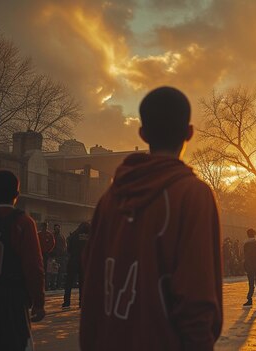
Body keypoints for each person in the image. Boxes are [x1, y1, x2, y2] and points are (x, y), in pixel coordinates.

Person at [80, 87, 223, 351]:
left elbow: (91, 285)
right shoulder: (191, 194)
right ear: (189, 133)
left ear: (143, 134)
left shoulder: (110, 199)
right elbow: (196, 294)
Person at [0, 170, 45, 350]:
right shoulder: (22, 222)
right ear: (16, 195)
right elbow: (34, 267)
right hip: (10, 300)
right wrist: (38, 302)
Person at [62, 222, 90, 308]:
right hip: (84, 262)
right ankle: (82, 302)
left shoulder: (74, 235)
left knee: (69, 282)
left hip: (73, 260)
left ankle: (66, 302)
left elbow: (69, 249)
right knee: (83, 283)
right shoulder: (90, 236)